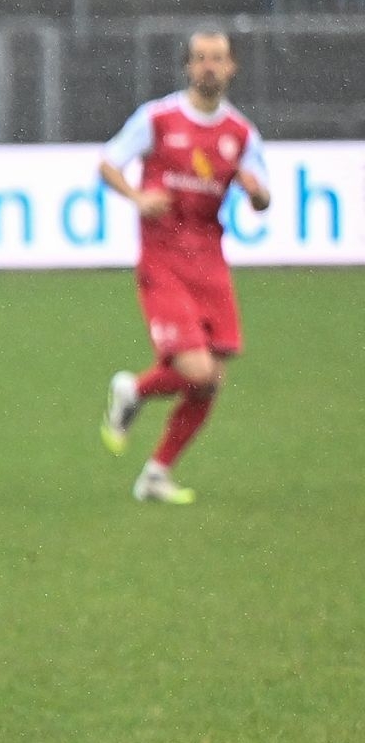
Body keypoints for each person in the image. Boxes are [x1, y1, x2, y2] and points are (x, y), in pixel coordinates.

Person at [97, 31, 270, 504]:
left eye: (217, 58)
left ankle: (156, 471)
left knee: (212, 376)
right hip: (163, 260)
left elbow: (262, 196)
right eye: (200, 59)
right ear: (187, 67)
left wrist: (256, 193)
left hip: (210, 261)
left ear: (232, 66)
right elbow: (107, 163)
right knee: (196, 370)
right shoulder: (157, 118)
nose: (209, 66)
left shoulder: (241, 133)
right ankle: (133, 389)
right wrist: (136, 197)